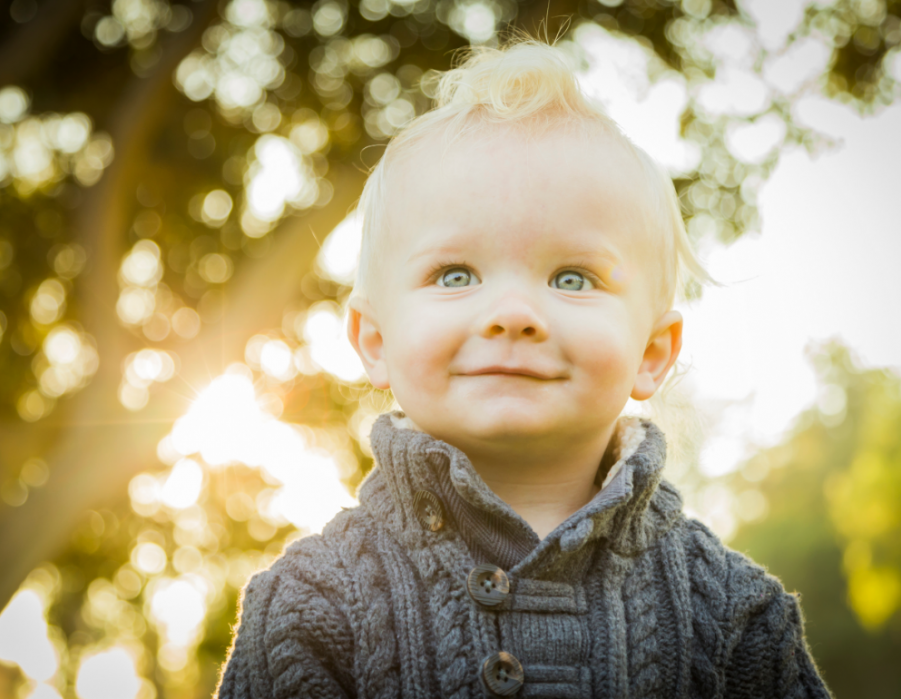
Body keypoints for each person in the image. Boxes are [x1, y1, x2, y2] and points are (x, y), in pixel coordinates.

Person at [216, 37, 832, 699]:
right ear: (374, 340)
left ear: (652, 352)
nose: (512, 313)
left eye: (572, 277)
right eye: (456, 274)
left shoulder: (738, 617)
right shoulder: (311, 608)